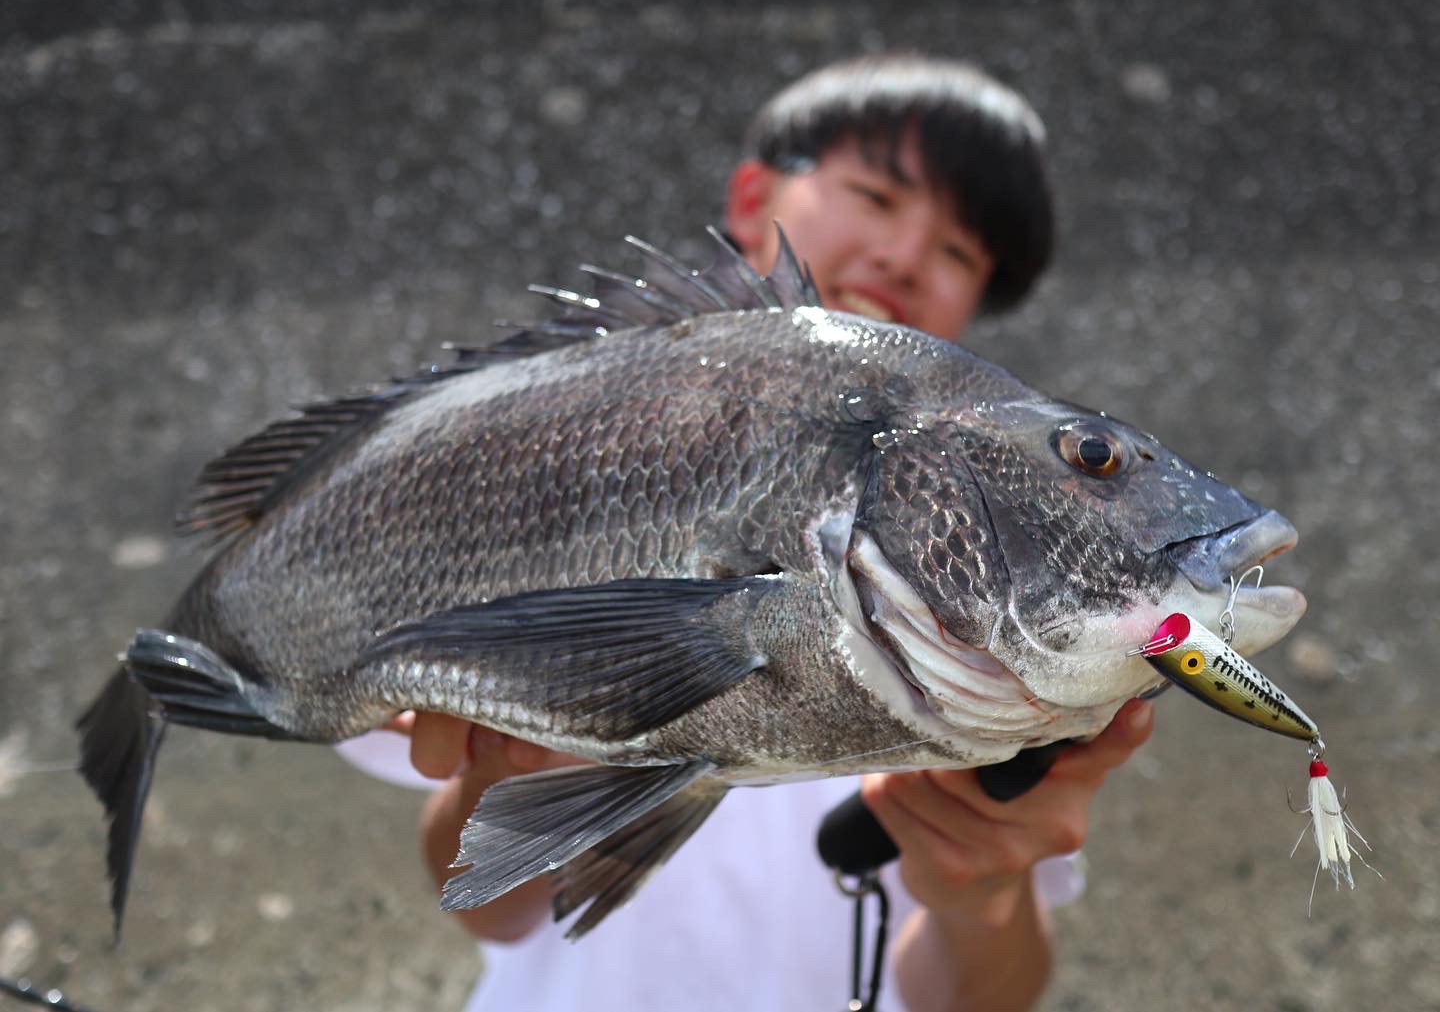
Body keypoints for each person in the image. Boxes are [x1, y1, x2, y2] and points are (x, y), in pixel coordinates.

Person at [338, 52, 1156, 1012]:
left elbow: (981, 996)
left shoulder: (996, 587)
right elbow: (489, 904)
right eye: (877, 197)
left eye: (958, 253)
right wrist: (528, 762)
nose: (905, 255)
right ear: (755, 193)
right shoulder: (573, 445)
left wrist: (980, 885)